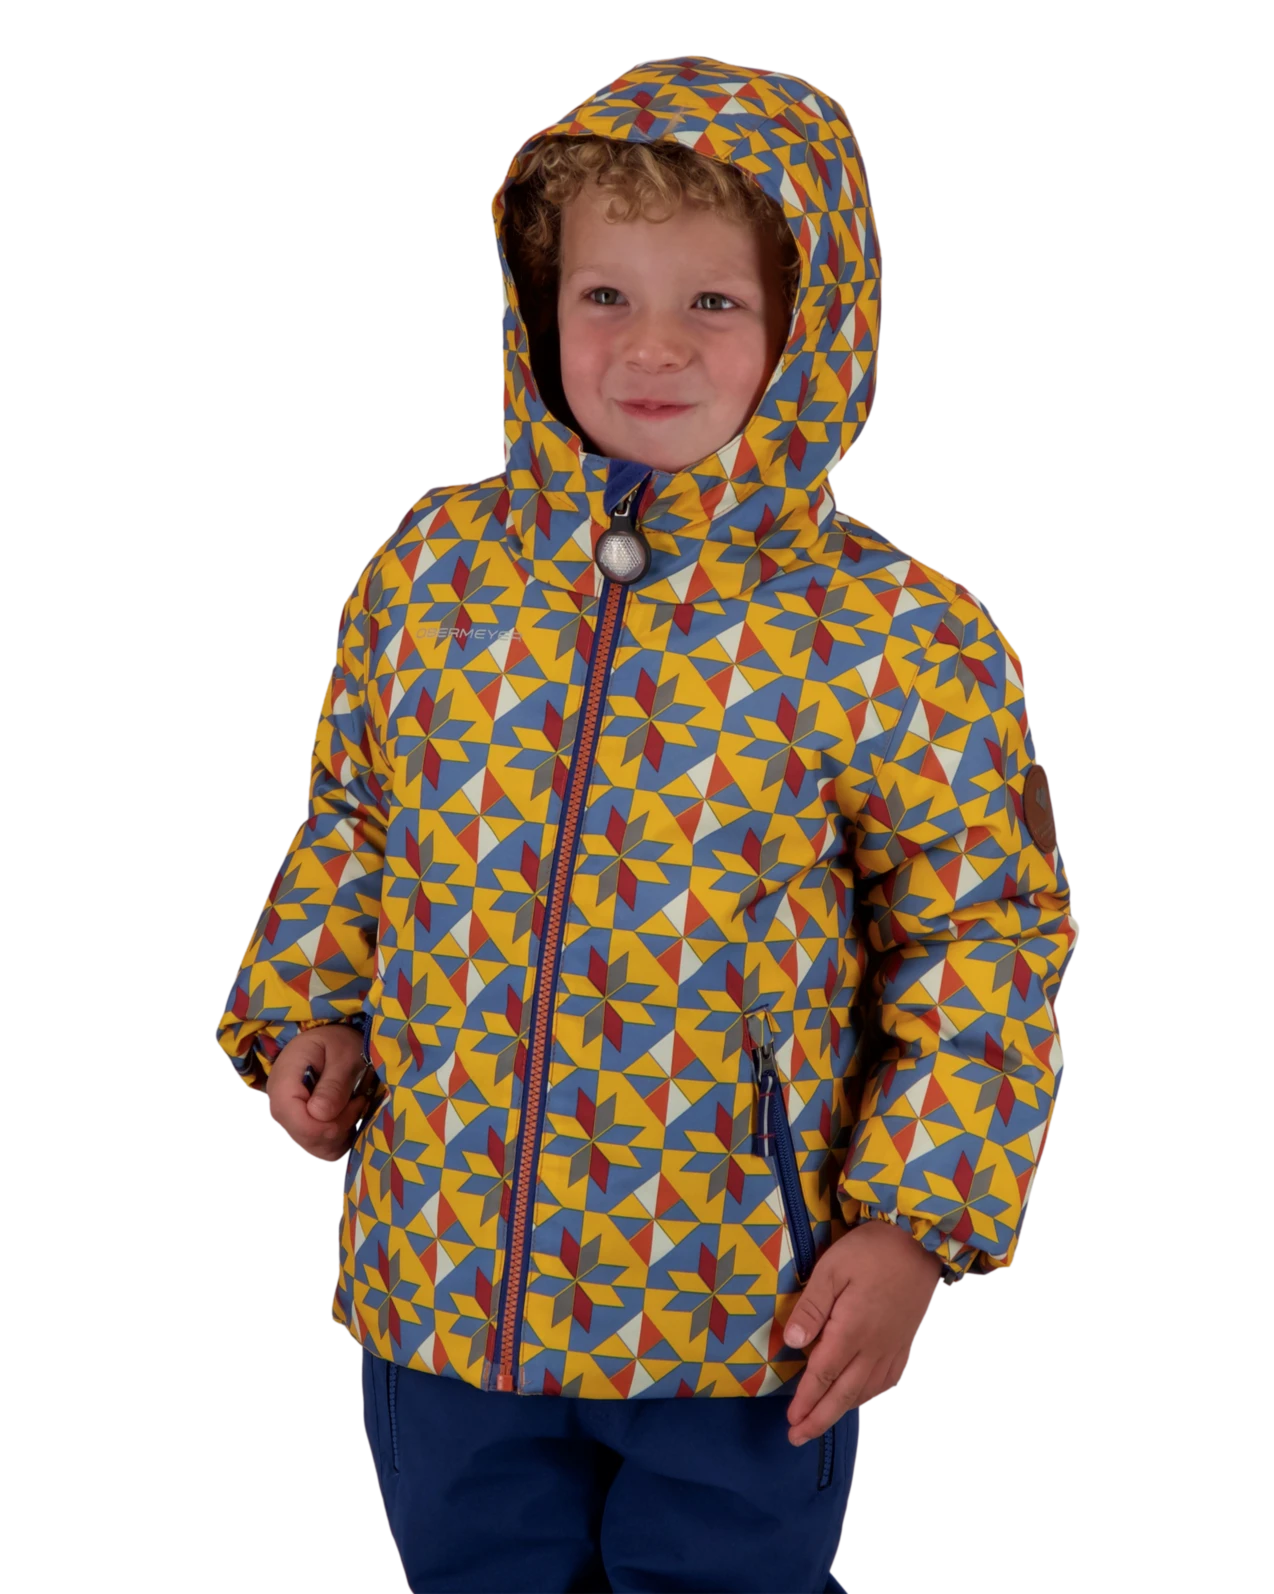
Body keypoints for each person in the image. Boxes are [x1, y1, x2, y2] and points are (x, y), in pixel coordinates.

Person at [217, 54, 1078, 1594]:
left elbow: (980, 937)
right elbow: (353, 810)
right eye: (604, 295)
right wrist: (310, 1006)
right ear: (535, 301)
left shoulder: (894, 630)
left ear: (811, 329)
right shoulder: (433, 566)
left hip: (734, 1300)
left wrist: (913, 1225)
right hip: (444, 1280)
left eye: (713, 304)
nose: (650, 345)